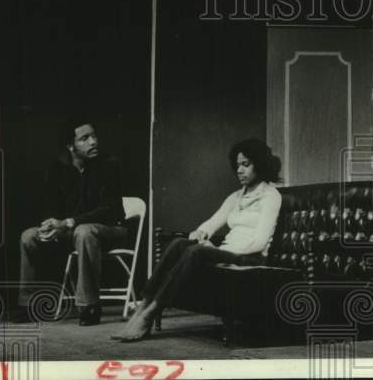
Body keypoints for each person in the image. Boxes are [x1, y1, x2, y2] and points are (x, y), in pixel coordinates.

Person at [111, 138, 282, 342]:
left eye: (246, 164)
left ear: (260, 164)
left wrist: (219, 249)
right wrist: (200, 233)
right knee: (179, 244)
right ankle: (142, 308)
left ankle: (151, 313)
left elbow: (260, 241)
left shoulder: (271, 196)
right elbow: (213, 222)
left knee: (197, 251)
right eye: (237, 165)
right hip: (229, 252)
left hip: (251, 258)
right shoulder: (237, 196)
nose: (239, 170)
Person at [16, 118, 129, 326]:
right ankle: (27, 305)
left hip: (111, 230)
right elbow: (49, 204)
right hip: (74, 231)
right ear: (70, 145)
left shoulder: (109, 165)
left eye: (94, 136)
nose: (93, 142)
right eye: (84, 138)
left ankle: (89, 306)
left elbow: (109, 211)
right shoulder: (58, 168)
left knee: (84, 231)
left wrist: (68, 222)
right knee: (28, 236)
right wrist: (50, 223)